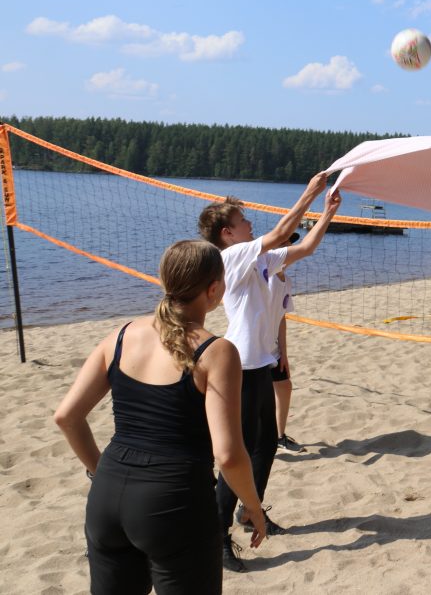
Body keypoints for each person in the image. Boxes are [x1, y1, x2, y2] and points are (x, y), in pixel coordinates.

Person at [54, 240, 267, 594]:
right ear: (214, 289)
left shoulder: (121, 336)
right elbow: (228, 454)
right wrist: (253, 506)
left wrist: (100, 470)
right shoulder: (217, 351)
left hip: (107, 497)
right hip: (175, 502)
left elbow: (66, 417)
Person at [198, 173, 340, 571]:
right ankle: (217, 534)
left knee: (265, 445)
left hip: (260, 362)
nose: (249, 224)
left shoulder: (260, 259)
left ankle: (250, 511)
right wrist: (310, 192)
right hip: (238, 365)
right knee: (238, 453)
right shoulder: (229, 258)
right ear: (227, 233)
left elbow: (305, 246)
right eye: (242, 221)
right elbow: (279, 233)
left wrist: (327, 213)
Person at [271, 232, 305, 452]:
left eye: (290, 245)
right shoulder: (263, 278)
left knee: (285, 386)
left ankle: (279, 436)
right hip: (254, 351)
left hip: (272, 349)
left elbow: (281, 318)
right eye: (284, 245)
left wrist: (283, 353)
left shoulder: (286, 281)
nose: (289, 249)